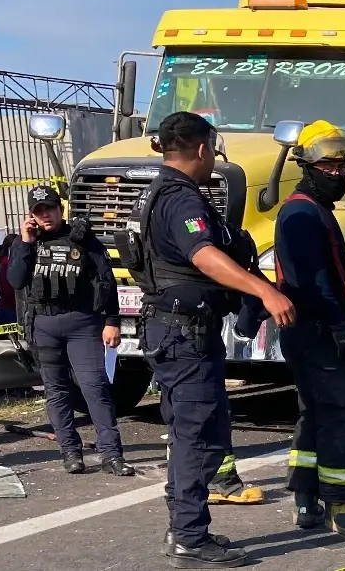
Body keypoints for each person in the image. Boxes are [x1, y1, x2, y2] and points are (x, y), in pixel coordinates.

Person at [124, 111, 295, 567]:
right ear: (201, 149)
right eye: (212, 150)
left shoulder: (153, 193)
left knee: (196, 430)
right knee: (194, 434)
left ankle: (186, 529)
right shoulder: (181, 199)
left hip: (174, 330)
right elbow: (204, 257)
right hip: (184, 335)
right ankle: (189, 537)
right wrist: (264, 289)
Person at [272, 120, 345, 538]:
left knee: (314, 414)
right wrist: (339, 326)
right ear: (306, 165)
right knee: (344, 416)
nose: (338, 175)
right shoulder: (302, 213)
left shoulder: (311, 210)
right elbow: (313, 280)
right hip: (318, 332)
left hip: (311, 331)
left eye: (343, 168)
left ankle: (306, 501)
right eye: (330, 168)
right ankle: (344, 507)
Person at [5, 185, 134, 476]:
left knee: (95, 388)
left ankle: (111, 455)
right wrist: (25, 243)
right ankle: (70, 452)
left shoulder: (83, 239)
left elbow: (106, 280)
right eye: (38, 211)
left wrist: (112, 321)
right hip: (44, 325)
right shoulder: (26, 242)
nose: (45, 215)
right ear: (31, 215)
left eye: (49, 209)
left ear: (60, 209)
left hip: (83, 324)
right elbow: (16, 280)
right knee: (56, 392)